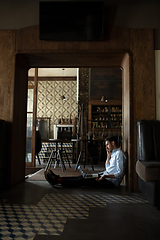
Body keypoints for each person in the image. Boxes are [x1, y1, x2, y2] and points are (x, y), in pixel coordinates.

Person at [44, 136, 127, 188]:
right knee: (82, 177)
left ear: (113, 143)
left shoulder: (119, 154)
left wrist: (105, 176)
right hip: (105, 176)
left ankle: (57, 181)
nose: (106, 147)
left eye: (107, 144)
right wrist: (108, 156)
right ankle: (58, 178)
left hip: (111, 182)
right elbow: (108, 168)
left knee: (82, 181)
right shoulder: (114, 153)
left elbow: (120, 173)